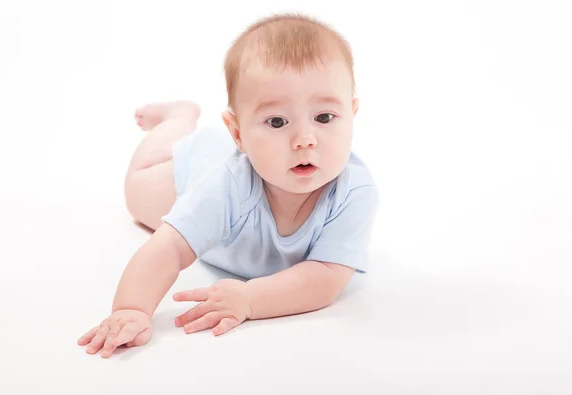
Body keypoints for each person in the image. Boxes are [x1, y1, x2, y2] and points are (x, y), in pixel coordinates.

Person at [77, 12, 380, 358]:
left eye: (325, 117)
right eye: (277, 121)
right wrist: (131, 309)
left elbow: (325, 277)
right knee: (139, 190)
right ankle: (179, 119)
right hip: (192, 171)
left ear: (352, 115)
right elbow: (170, 249)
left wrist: (249, 298)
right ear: (237, 133)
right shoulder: (226, 185)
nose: (304, 139)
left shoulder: (354, 193)